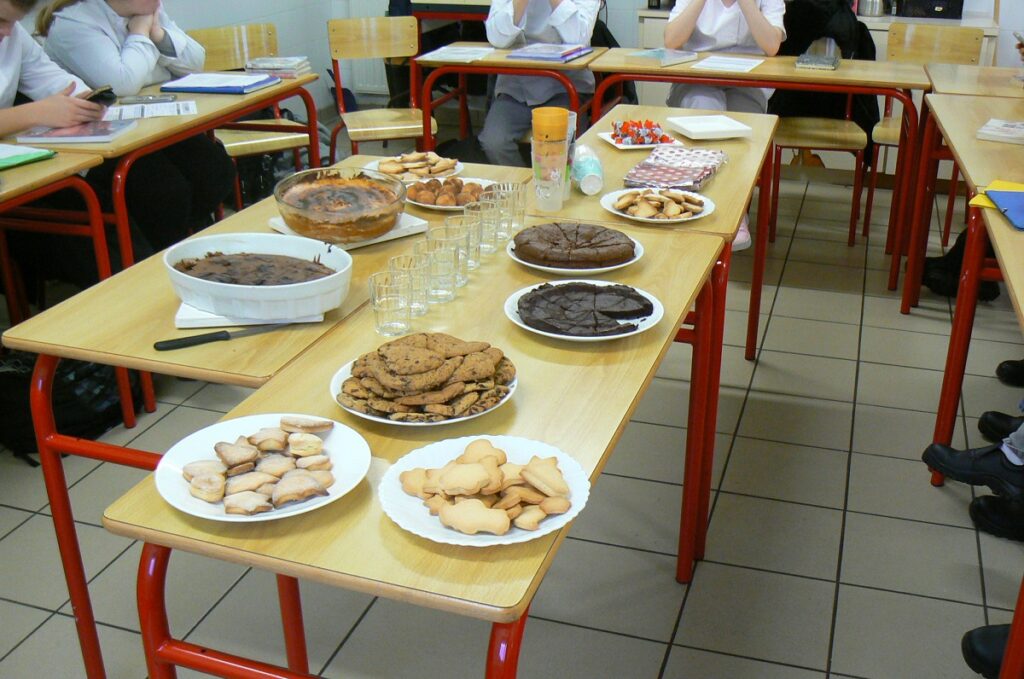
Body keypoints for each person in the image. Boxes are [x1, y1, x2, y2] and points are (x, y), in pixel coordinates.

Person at [36, 0, 235, 251]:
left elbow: (195, 62)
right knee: (166, 192)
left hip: (153, 126)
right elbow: (123, 83)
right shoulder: (72, 22)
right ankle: (162, 252)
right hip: (104, 143)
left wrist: (157, 34)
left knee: (215, 169)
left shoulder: (148, 9)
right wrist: (140, 32)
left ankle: (182, 238)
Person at [663, 0, 785, 250]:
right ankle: (697, 205)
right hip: (698, 79)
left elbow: (772, 46)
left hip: (748, 81)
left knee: (743, 126)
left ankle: (736, 210)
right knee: (704, 110)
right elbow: (672, 40)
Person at [480, 0, 600, 167]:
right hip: (516, 87)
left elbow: (579, 38)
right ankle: (523, 183)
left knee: (555, 151)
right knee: (494, 143)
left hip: (564, 87)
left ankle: (551, 182)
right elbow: (496, 39)